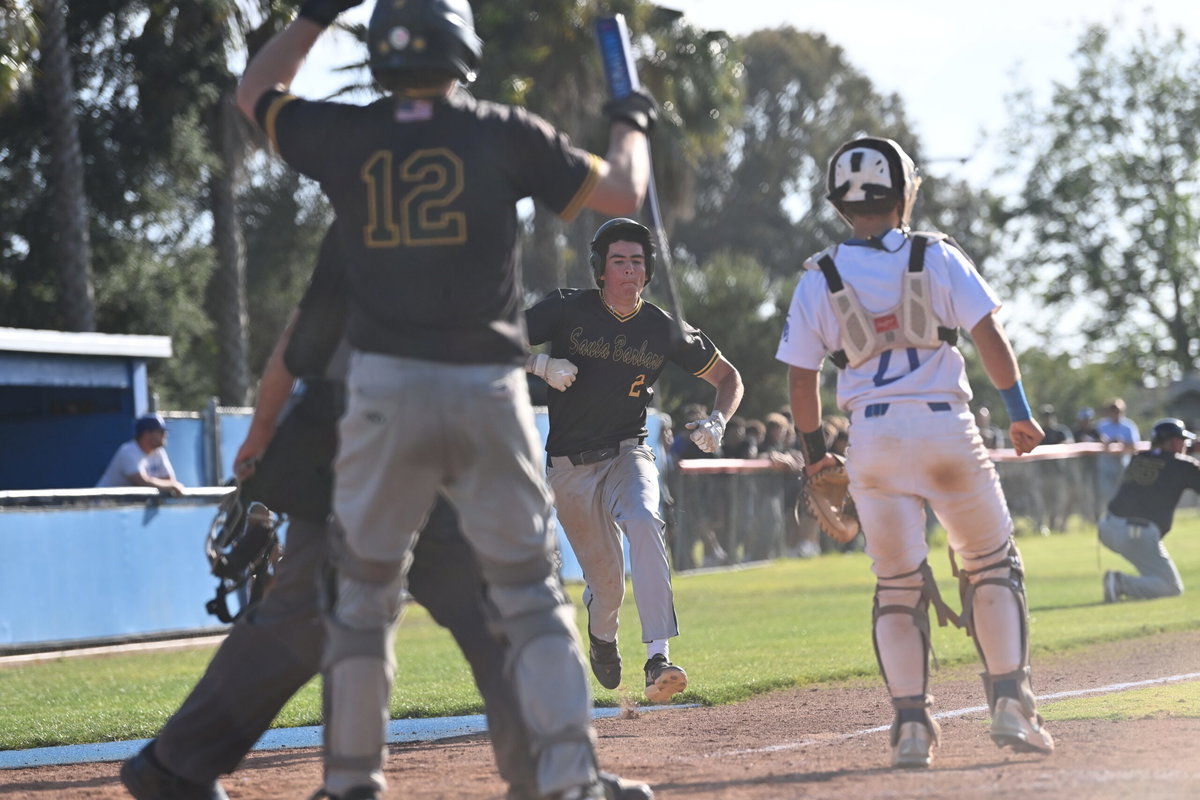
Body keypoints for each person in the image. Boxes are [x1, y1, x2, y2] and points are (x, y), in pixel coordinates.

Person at [234, 1, 655, 797]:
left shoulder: (347, 133)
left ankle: (351, 780)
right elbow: (625, 185)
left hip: (383, 390)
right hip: (485, 389)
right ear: (463, 50)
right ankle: (570, 778)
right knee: (530, 595)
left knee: (362, 597)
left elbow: (255, 91)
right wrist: (631, 117)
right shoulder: (503, 129)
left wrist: (314, 16)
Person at [120, 229, 649, 800]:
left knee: (350, 610)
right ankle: (547, 776)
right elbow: (306, 338)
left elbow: (303, 338)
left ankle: (178, 765)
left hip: (395, 440)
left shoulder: (387, 189)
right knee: (456, 602)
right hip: (362, 443)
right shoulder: (385, 193)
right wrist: (261, 439)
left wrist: (263, 437)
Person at [776, 136, 1055, 770]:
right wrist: (1019, 414)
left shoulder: (819, 275)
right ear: (906, 193)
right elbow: (989, 336)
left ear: (839, 205)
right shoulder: (938, 255)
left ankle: (909, 728)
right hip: (946, 427)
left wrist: (817, 454)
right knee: (989, 563)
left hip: (871, 438)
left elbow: (801, 378)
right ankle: (1011, 703)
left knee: (896, 584)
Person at [524, 217, 744, 705]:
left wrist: (717, 423)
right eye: (619, 261)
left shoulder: (662, 327)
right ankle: (602, 635)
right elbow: (490, 340)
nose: (629, 270)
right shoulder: (565, 309)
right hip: (569, 466)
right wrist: (539, 364)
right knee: (606, 587)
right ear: (601, 269)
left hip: (629, 449)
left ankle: (658, 659)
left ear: (648, 273)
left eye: (638, 263)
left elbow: (730, 378)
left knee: (645, 520)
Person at [1099, 418, 1199, 602]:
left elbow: (1165, 459)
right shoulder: (1183, 465)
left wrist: (1188, 451)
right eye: (1183, 440)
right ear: (1175, 442)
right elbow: (1179, 464)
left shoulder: (1140, 457)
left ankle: (1121, 583)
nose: (1186, 444)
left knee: (1155, 574)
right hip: (1136, 533)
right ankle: (1120, 583)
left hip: (1108, 527)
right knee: (1171, 587)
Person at [96, 413, 185, 496]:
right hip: (101, 505)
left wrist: (171, 484)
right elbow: (142, 482)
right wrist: (172, 486)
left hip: (125, 506)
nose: (165, 435)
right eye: (161, 432)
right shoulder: (128, 451)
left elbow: (170, 480)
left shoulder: (158, 452)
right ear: (147, 434)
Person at [1096, 397, 1141, 507]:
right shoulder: (1101, 425)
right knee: (1107, 493)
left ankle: (1124, 513)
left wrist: (1121, 443)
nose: (1115, 413)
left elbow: (1134, 445)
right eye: (1112, 410)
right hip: (1106, 464)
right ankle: (1109, 514)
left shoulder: (1128, 426)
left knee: (1123, 491)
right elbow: (1096, 442)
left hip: (1123, 464)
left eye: (1117, 410)